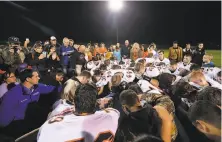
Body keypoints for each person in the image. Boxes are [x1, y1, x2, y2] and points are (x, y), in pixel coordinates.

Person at [37, 84, 119, 142]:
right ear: (95, 103)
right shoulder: (112, 115)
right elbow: (113, 111)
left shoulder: (51, 126)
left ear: (74, 102)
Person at [0, 69, 57, 138]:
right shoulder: (11, 95)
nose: (39, 78)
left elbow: (53, 89)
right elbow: (3, 120)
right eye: (36, 76)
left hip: (32, 120)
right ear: (28, 79)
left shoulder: (37, 87)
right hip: (17, 125)